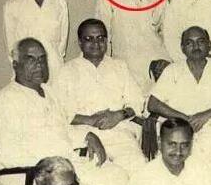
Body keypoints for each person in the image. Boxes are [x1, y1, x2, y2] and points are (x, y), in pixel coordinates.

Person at [0, 37, 128, 185]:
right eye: (31, 59)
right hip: (29, 177)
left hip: (64, 164)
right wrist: (53, 166)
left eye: (42, 59)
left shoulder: (47, 92)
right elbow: (7, 154)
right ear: (15, 64)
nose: (38, 65)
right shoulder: (7, 101)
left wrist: (87, 135)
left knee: (117, 178)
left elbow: (61, 129)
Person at [148, 26, 211, 185]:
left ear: (209, 45)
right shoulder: (173, 70)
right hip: (179, 130)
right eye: (189, 43)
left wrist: (206, 115)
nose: (196, 47)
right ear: (182, 48)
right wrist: (184, 118)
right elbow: (153, 104)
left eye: (200, 42)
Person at [53, 19, 147, 175]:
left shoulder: (119, 66)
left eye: (100, 38)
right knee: (98, 177)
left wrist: (118, 115)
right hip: (85, 136)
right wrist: (89, 119)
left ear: (106, 40)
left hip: (119, 133)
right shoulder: (67, 71)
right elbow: (58, 111)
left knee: (139, 170)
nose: (96, 43)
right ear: (80, 42)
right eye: (89, 39)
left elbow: (137, 101)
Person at [94, 0, 171, 92]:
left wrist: (168, 65)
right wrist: (106, 73)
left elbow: (169, 35)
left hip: (156, 74)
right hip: (124, 74)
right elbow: (102, 38)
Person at [3, 0, 68, 81]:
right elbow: (11, 48)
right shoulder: (12, 5)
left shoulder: (59, 2)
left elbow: (61, 46)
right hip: (26, 76)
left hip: (55, 74)